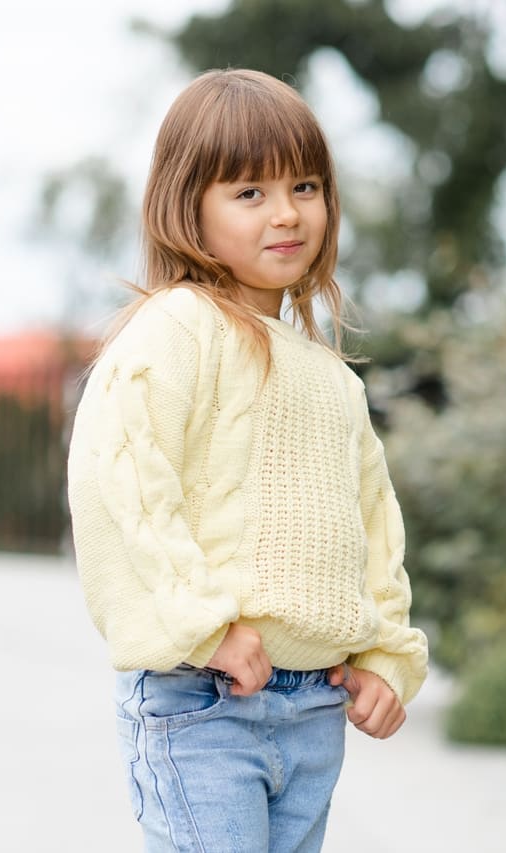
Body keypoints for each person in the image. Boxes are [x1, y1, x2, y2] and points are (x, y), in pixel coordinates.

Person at [65, 68, 430, 853]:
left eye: (304, 185)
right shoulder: (177, 328)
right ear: (187, 206)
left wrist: (384, 655)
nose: (289, 213)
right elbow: (124, 478)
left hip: (312, 714)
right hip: (206, 699)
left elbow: (373, 529)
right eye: (250, 193)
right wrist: (201, 625)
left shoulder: (332, 378)